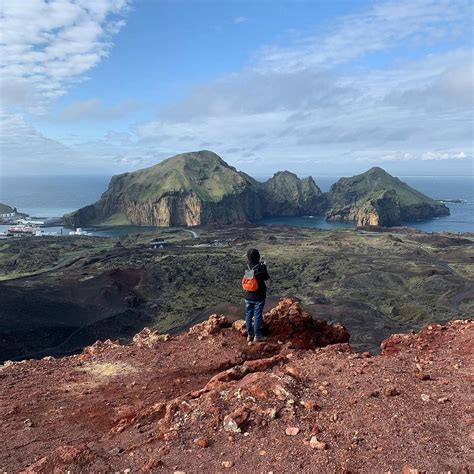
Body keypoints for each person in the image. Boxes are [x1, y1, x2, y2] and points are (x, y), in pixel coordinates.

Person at [243, 248, 270, 343]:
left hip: (248, 295)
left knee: (248, 314)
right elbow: (266, 277)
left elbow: (250, 277)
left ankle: (249, 335)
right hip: (259, 296)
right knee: (257, 315)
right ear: (258, 257)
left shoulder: (247, 267)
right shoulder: (260, 267)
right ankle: (257, 336)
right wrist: (264, 267)